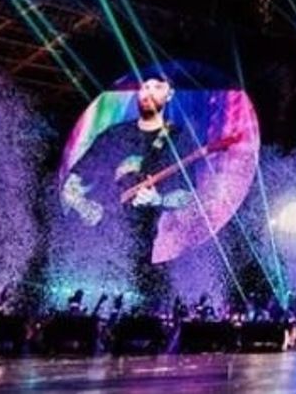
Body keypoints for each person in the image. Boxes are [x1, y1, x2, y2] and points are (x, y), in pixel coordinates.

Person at [60, 75, 195, 308]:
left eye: (157, 87)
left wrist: (159, 199)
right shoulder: (114, 134)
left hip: (141, 247)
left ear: (170, 95)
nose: (148, 92)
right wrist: (85, 207)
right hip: (97, 241)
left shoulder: (178, 138)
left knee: (133, 304)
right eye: (144, 87)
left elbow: (187, 196)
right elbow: (70, 185)